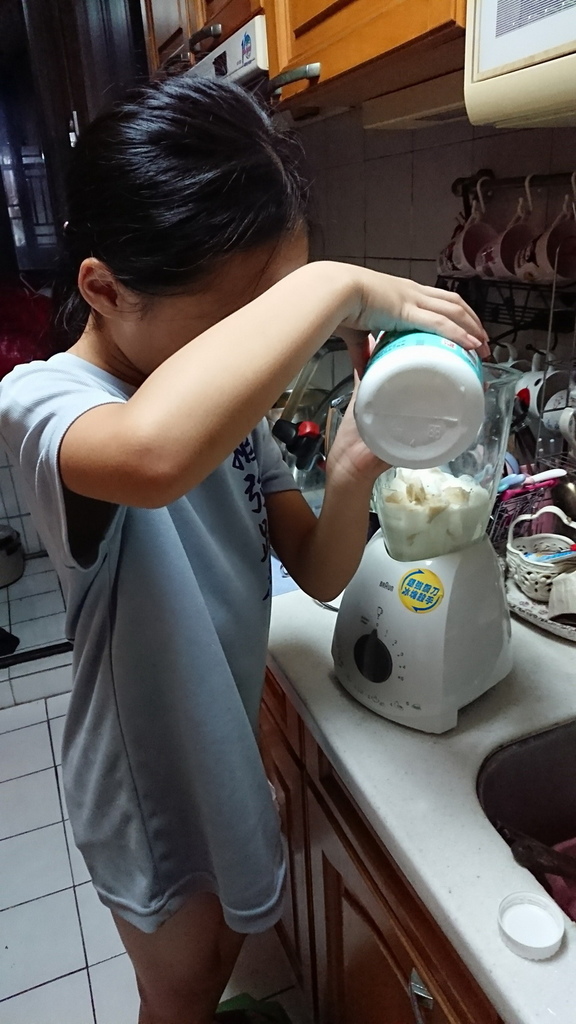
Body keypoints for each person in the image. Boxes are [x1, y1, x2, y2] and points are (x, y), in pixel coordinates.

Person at [0, 76, 489, 1024]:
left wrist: (352, 464)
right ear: (103, 290)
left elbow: (318, 567)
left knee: (223, 961)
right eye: (245, 322)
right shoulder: (48, 404)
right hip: (149, 795)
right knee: (179, 997)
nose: (269, 358)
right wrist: (334, 284)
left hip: (217, 755)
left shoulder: (227, 417)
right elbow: (152, 456)